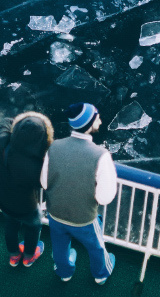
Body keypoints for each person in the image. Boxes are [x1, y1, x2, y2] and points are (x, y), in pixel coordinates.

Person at [40, 102, 117, 285]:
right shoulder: (101, 155)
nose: (100, 119)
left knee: (59, 245)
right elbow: (104, 197)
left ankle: (64, 272)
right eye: (97, 116)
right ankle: (100, 274)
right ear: (89, 123)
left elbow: (44, 182)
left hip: (55, 213)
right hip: (84, 218)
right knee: (96, 246)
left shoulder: (55, 146)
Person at [0, 111, 53, 268]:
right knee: (34, 227)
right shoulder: (38, 165)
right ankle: (28, 257)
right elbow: (44, 184)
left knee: (10, 224)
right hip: (25, 206)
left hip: (2, 197)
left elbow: (6, 120)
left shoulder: (4, 142)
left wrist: (24, 125)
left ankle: (14, 256)